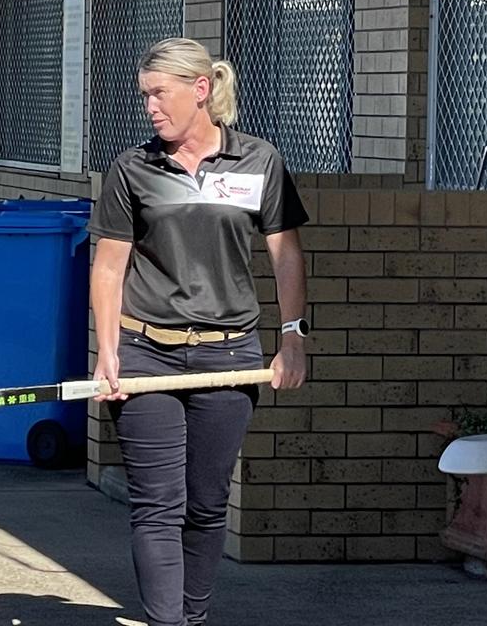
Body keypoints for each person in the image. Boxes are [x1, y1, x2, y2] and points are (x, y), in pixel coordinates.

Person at [88, 37, 309, 626]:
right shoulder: (133, 169)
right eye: (145, 96)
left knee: (207, 506)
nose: (150, 107)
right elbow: (109, 265)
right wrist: (107, 352)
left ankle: (193, 616)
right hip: (145, 353)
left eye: (160, 94)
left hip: (229, 356)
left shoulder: (258, 161)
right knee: (157, 507)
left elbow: (286, 255)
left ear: (201, 90)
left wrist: (293, 337)